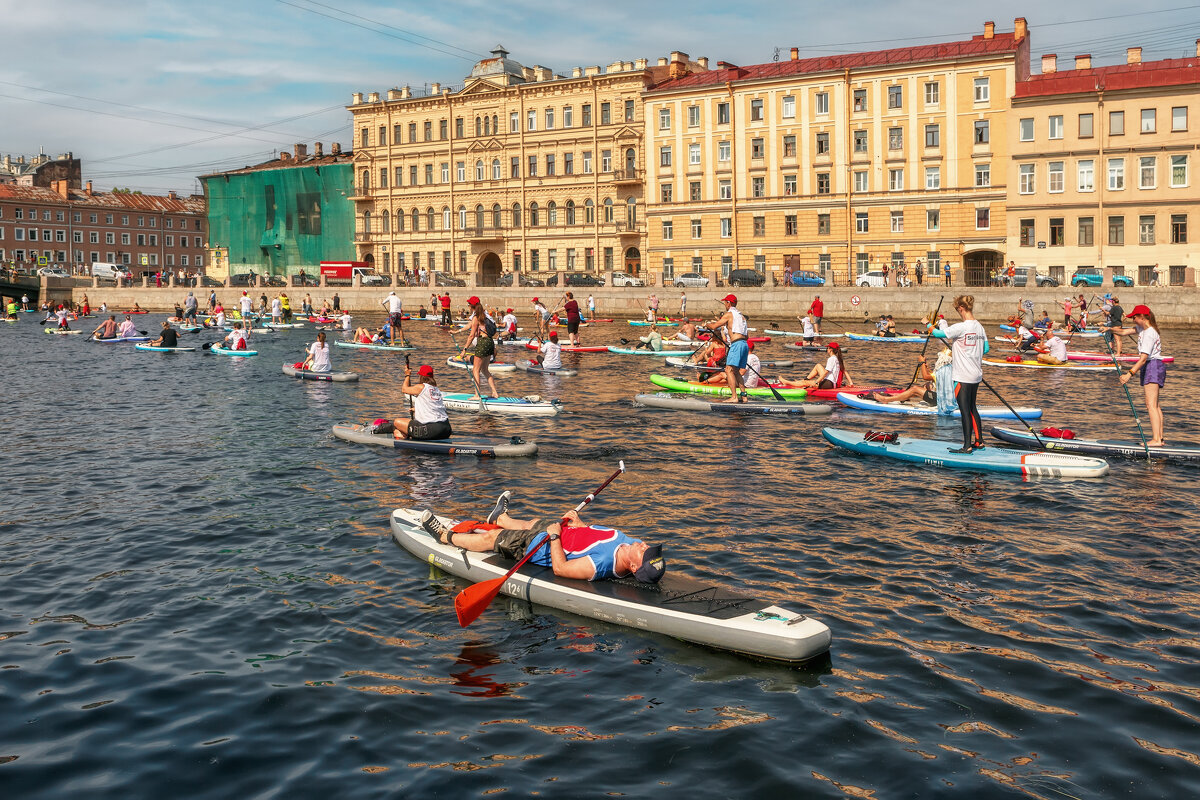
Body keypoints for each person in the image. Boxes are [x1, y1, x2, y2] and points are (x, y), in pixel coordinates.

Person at [419, 501, 665, 585]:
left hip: (540, 547)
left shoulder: (601, 564)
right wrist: (580, 524)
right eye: (647, 547)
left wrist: (556, 536)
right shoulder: (631, 545)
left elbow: (561, 569)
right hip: (558, 531)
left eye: (645, 552)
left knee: (492, 539)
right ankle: (500, 518)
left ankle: (445, 536)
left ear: (633, 567)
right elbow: (595, 535)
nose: (644, 545)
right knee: (532, 521)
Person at [1103, 304, 1166, 446]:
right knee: (1155, 405)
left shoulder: (1149, 333)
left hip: (1152, 366)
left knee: (1151, 405)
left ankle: (1156, 440)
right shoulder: (1142, 329)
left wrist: (1128, 374)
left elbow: (1143, 359)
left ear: (1143, 317)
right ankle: (1160, 438)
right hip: (1153, 366)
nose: (1133, 320)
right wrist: (1109, 328)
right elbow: (1124, 332)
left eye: (1135, 317)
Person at [945, 295, 987, 453]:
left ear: (961, 308)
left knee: (964, 411)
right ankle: (979, 442)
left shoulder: (960, 327)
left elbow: (937, 333)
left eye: (957, 309)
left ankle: (967, 446)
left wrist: (927, 324)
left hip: (962, 376)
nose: (958, 312)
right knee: (972, 408)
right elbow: (985, 349)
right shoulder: (980, 327)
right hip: (976, 375)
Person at [377, 363, 452, 441]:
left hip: (432, 430)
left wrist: (407, 375)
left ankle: (396, 433)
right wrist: (416, 409)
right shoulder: (436, 389)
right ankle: (402, 434)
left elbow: (404, 389)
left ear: (421, 376)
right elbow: (434, 406)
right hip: (446, 428)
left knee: (397, 422)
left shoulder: (422, 387)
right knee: (408, 425)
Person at [704, 294, 750, 403]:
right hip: (744, 344)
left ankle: (734, 397)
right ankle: (744, 397)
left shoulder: (729, 314)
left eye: (725, 302)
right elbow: (747, 336)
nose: (724, 304)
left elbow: (715, 326)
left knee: (728, 369)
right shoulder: (742, 316)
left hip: (737, 344)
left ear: (729, 303)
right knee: (736, 372)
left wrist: (706, 324)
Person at [459, 296, 499, 398]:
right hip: (490, 342)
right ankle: (494, 392)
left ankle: (477, 394)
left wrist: (464, 350)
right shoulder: (484, 315)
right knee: (485, 370)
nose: (468, 306)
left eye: (469, 304)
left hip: (482, 343)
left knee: (475, 370)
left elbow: (471, 336)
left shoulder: (476, 317)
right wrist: (457, 331)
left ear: (472, 306)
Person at [776, 341, 854, 390]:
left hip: (829, 384)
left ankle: (787, 382)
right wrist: (851, 383)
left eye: (828, 348)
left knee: (805, 383)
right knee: (818, 366)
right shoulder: (837, 359)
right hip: (832, 383)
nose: (827, 349)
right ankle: (805, 379)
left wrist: (816, 382)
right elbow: (844, 371)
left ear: (830, 349)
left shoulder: (831, 359)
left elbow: (825, 373)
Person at [871, 355, 940, 406]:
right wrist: (925, 367)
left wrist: (922, 363)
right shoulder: (948, 370)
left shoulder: (947, 372)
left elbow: (925, 377)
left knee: (915, 389)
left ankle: (886, 400)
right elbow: (933, 377)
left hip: (940, 400)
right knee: (927, 385)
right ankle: (904, 397)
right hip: (941, 396)